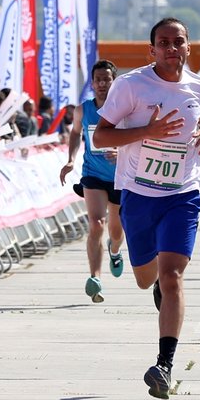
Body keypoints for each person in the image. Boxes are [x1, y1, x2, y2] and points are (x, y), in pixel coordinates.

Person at [92, 18, 200, 399]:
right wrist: (147, 132)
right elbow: (101, 136)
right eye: (163, 42)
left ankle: (164, 365)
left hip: (183, 193)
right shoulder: (130, 85)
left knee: (172, 277)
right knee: (146, 278)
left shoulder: (199, 85)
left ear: (188, 47)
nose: (171, 48)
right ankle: (156, 288)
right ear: (152, 51)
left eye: (177, 41)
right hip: (139, 193)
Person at [59, 60, 125, 303]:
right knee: (97, 224)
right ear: (92, 82)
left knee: (116, 231)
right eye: (97, 79)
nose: (101, 84)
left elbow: (136, 138)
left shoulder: (125, 109)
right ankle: (95, 278)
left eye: (106, 79)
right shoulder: (83, 110)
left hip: (119, 176)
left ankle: (115, 251)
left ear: (114, 81)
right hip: (93, 174)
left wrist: (121, 152)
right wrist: (70, 160)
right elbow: (76, 133)